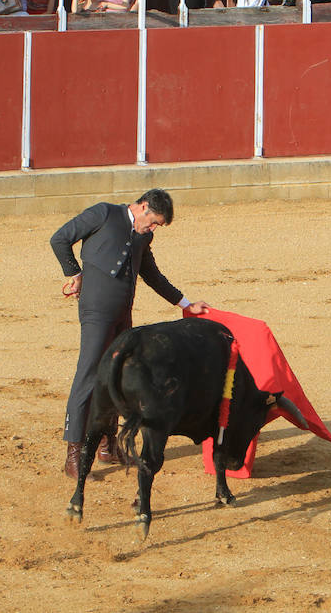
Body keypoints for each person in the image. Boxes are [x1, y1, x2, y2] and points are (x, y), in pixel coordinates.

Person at [51, 189, 211, 477]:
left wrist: (185, 303)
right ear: (143, 206)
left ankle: (107, 444)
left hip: (123, 315)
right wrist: (74, 273)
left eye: (156, 227)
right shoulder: (103, 213)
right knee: (88, 375)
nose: (152, 230)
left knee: (119, 378)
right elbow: (60, 239)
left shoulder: (143, 236)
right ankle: (74, 452)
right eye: (152, 222)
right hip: (96, 312)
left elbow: (151, 274)